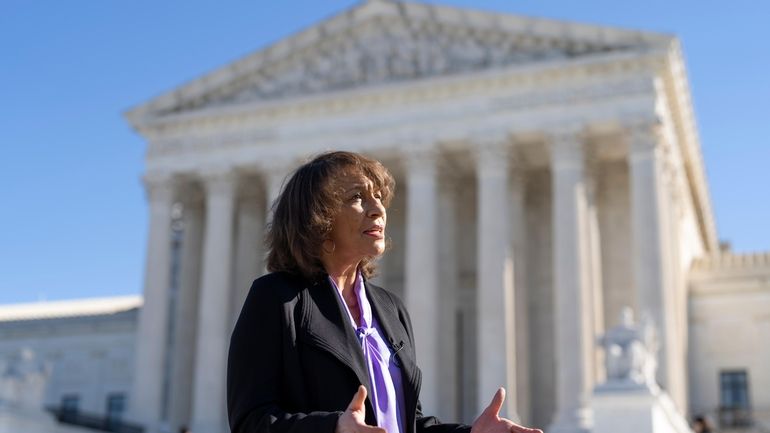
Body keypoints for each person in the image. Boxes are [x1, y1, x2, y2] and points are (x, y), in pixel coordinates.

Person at [227, 151, 542, 433]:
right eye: (357, 197)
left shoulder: (389, 308)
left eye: (378, 196)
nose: (377, 208)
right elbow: (251, 421)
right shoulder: (278, 298)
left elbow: (407, 422)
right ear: (317, 217)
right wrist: (333, 428)